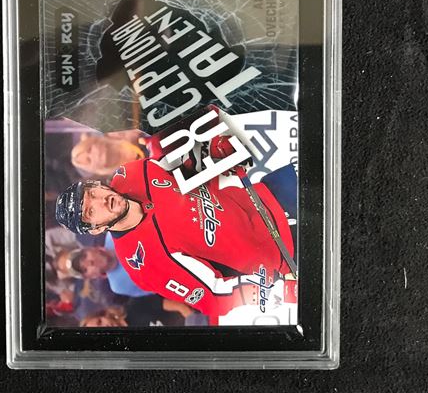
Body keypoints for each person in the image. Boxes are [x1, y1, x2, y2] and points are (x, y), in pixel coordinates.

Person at [55, 136, 297, 317]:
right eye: (91, 211)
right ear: (96, 229)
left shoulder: (130, 173)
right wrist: (276, 289)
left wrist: (209, 149)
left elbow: (188, 167)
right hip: (282, 249)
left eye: (92, 193)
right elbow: (214, 296)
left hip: (270, 193)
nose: (100, 201)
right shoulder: (143, 265)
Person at [66, 244, 149, 297]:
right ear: (91, 277)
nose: (90, 263)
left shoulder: (115, 232)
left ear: (90, 248)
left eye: (85, 256)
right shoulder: (119, 286)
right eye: (85, 269)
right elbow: (153, 290)